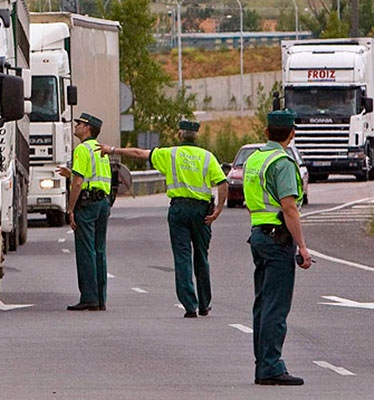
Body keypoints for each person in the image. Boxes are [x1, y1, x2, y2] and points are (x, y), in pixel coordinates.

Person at [98, 120, 228, 318]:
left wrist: (112, 149)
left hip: (178, 210)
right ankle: (204, 303)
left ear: (179, 135)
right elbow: (222, 183)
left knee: (182, 256)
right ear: (197, 136)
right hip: (202, 212)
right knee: (201, 257)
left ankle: (189, 305)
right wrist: (218, 209)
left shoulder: (171, 154)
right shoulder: (207, 157)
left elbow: (139, 153)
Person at [242, 109, 312, 386]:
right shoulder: (282, 162)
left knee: (263, 304)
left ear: (266, 132)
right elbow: (289, 208)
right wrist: (303, 248)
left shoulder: (255, 158)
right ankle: (271, 366)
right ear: (292, 134)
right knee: (276, 307)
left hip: (258, 235)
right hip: (277, 238)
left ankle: (263, 365)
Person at [57, 113, 112, 311]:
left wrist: (70, 209)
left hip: (87, 205)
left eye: (79, 124)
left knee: (86, 251)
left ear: (87, 128)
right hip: (102, 203)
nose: (76, 126)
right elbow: (93, 177)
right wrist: (70, 173)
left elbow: (79, 183)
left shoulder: (82, 149)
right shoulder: (100, 149)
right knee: (99, 251)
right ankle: (100, 298)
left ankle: (89, 297)